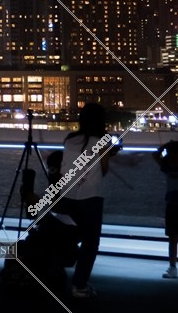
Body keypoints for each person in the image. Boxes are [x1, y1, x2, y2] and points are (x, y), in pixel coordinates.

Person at [58, 102, 120, 298]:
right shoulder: (102, 141)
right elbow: (103, 169)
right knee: (90, 242)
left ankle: (55, 274)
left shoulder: (69, 140)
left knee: (68, 237)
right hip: (90, 197)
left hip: (66, 195)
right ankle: (80, 284)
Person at [154, 139, 178, 279]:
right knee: (173, 237)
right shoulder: (168, 165)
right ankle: (172, 267)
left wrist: (164, 146)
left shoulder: (167, 165)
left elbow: (155, 155)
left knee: (173, 238)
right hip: (172, 204)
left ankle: (172, 267)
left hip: (172, 203)